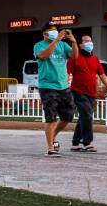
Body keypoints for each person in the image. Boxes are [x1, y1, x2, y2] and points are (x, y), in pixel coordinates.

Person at [33, 22, 79, 157]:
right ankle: (50, 148)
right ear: (44, 33)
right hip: (47, 86)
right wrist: (57, 39)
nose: (55, 32)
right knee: (51, 118)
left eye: (56, 31)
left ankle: (53, 136)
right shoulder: (39, 45)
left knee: (67, 116)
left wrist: (74, 42)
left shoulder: (63, 45)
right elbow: (44, 56)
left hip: (63, 86)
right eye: (52, 31)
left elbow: (75, 57)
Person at [67, 35, 107, 152]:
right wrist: (65, 85)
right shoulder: (74, 58)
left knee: (84, 116)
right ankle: (87, 142)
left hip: (91, 93)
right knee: (87, 115)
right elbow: (67, 73)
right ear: (81, 45)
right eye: (86, 41)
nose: (90, 43)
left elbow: (102, 74)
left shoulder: (95, 59)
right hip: (78, 91)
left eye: (91, 41)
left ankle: (75, 142)